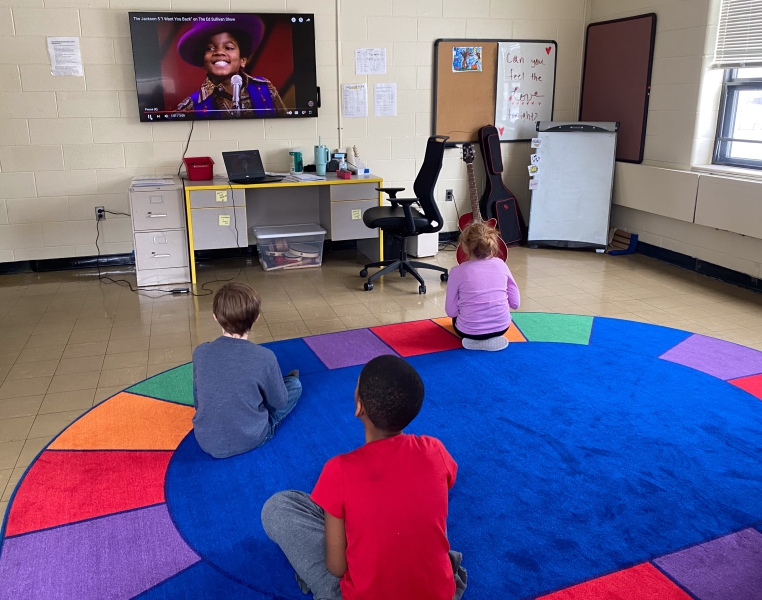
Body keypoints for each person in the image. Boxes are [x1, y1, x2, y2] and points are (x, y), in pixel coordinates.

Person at [261, 355, 467, 600]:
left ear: (359, 407)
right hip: (439, 593)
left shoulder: (339, 471)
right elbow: (442, 484)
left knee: (278, 507)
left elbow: (337, 567)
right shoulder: (435, 450)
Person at [192, 282, 301, 458]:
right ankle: (277, 384)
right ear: (256, 318)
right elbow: (279, 402)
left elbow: (198, 400)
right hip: (251, 437)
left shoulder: (200, 352)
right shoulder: (265, 356)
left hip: (205, 439)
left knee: (201, 378)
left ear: (215, 317)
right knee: (294, 385)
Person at [175, 16, 287, 118]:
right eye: (210, 48)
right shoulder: (189, 108)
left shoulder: (265, 88)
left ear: (242, 60)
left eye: (228, 47)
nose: (219, 52)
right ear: (203, 62)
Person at [445, 222, 520, 351]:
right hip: (502, 328)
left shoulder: (457, 271)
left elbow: (451, 312)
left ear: (464, 247)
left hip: (468, 332)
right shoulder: (501, 264)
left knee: (457, 317)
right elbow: (515, 304)